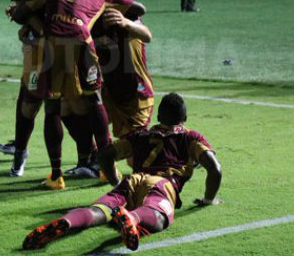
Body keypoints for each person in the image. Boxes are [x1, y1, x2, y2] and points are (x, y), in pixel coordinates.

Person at [22, 93, 223, 251]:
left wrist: (115, 180)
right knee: (160, 217)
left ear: (159, 117)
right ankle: (132, 218)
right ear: (184, 118)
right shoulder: (190, 137)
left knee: (99, 210)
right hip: (162, 184)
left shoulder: (140, 134)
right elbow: (215, 169)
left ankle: (67, 221)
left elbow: (104, 155)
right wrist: (208, 200)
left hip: (132, 180)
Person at [10, 0, 147, 188]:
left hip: (53, 44)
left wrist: (40, 15)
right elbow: (140, 9)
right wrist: (109, 5)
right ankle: (105, 168)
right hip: (83, 41)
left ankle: (56, 176)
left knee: (52, 106)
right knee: (94, 101)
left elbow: (18, 14)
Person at [0, 0, 78, 184]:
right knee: (30, 102)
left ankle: (87, 159)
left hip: (66, 41)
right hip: (38, 43)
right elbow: (21, 12)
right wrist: (43, 32)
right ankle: (20, 152)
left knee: (69, 102)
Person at [94, 0, 154, 141]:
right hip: (111, 91)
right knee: (84, 118)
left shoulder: (128, 16)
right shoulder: (95, 17)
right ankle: (91, 161)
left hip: (135, 93)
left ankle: (177, 149)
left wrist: (125, 23)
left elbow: (147, 35)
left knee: (132, 154)